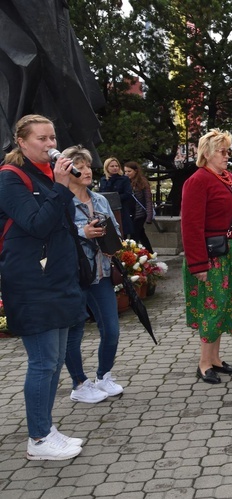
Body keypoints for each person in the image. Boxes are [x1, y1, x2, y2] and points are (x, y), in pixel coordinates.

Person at [0, 114, 87, 460]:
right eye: (42, 139)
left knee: (54, 361)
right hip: (31, 283)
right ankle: (37, 440)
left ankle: (46, 428)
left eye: (53, 137)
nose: (51, 145)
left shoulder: (48, 174)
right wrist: (62, 188)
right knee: (43, 361)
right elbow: (37, 224)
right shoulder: (10, 178)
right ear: (21, 142)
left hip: (59, 279)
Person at [181, 129, 232, 384]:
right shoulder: (198, 181)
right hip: (214, 255)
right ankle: (204, 362)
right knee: (212, 306)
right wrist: (198, 263)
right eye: (222, 151)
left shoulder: (227, 177)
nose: (227, 156)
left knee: (223, 305)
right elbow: (191, 226)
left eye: (228, 151)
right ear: (207, 153)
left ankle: (214, 358)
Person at [62, 146, 124, 404]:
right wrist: (82, 232)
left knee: (111, 328)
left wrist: (113, 243)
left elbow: (116, 230)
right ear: (68, 170)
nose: (87, 170)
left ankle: (103, 376)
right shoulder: (60, 201)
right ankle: (79, 384)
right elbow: (53, 236)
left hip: (100, 272)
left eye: (88, 166)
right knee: (73, 333)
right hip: (73, 275)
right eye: (80, 166)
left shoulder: (100, 200)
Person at [99, 157, 134, 238]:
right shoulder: (103, 180)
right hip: (106, 210)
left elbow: (128, 194)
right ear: (107, 167)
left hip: (120, 210)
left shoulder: (124, 179)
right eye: (112, 166)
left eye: (116, 166)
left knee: (122, 234)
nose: (115, 168)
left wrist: (113, 198)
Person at [123, 161, 154, 253]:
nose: (127, 174)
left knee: (135, 235)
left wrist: (149, 216)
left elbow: (148, 200)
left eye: (129, 171)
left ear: (135, 171)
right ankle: (150, 252)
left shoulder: (142, 182)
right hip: (130, 213)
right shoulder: (125, 182)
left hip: (140, 213)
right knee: (141, 234)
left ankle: (132, 255)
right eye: (125, 171)